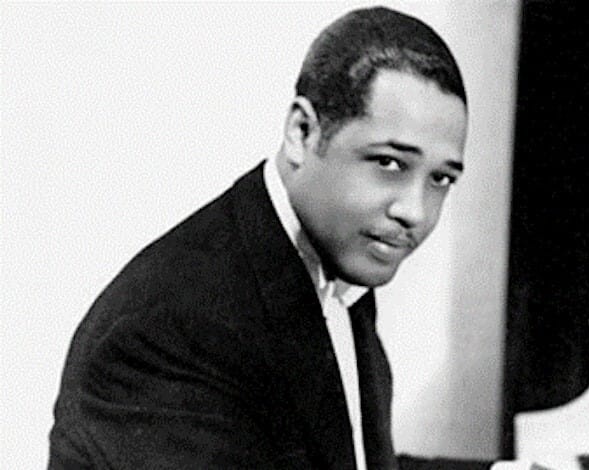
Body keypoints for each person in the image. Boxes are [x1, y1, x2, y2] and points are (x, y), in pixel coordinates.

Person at [49, 7, 512, 469]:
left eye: (440, 179)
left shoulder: (338, 258)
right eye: (389, 163)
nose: (414, 211)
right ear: (301, 132)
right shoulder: (174, 330)